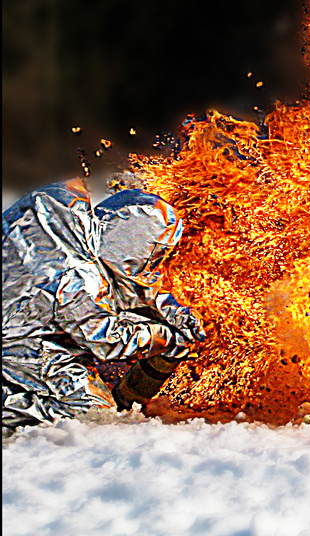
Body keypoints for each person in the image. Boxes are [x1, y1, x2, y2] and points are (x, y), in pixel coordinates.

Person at [2, 179, 204, 430]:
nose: (154, 262)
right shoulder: (75, 277)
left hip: (26, 321)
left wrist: (169, 308)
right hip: (19, 345)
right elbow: (106, 338)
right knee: (94, 417)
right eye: (155, 254)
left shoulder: (68, 225)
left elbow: (123, 280)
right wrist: (166, 336)